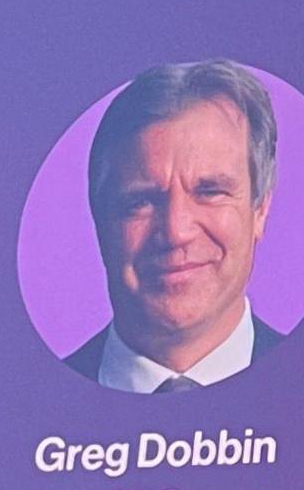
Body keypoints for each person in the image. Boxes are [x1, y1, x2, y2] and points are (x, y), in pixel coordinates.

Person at [65, 61, 285, 392]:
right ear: (100, 217)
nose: (175, 232)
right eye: (141, 201)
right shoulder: (24, 408)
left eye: (210, 192)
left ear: (261, 210)